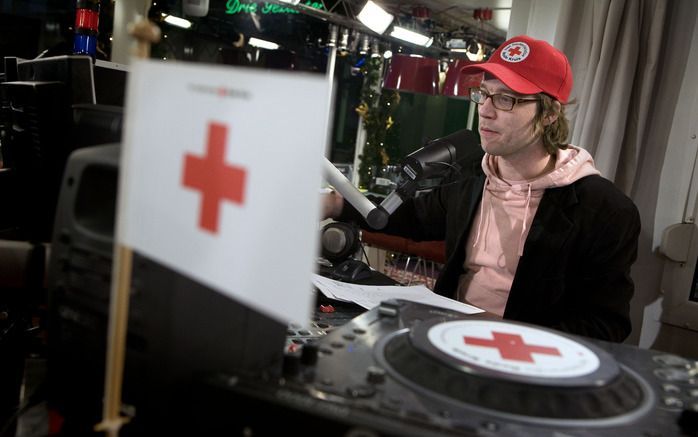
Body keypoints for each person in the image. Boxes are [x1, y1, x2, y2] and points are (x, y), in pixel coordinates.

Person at [324, 35, 641, 343]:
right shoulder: (471, 176)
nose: (486, 110)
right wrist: (336, 204)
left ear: (549, 114)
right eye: (484, 94)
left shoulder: (606, 210)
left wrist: (502, 335)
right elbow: (411, 218)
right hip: (447, 341)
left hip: (523, 369)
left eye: (506, 99)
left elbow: (605, 325)